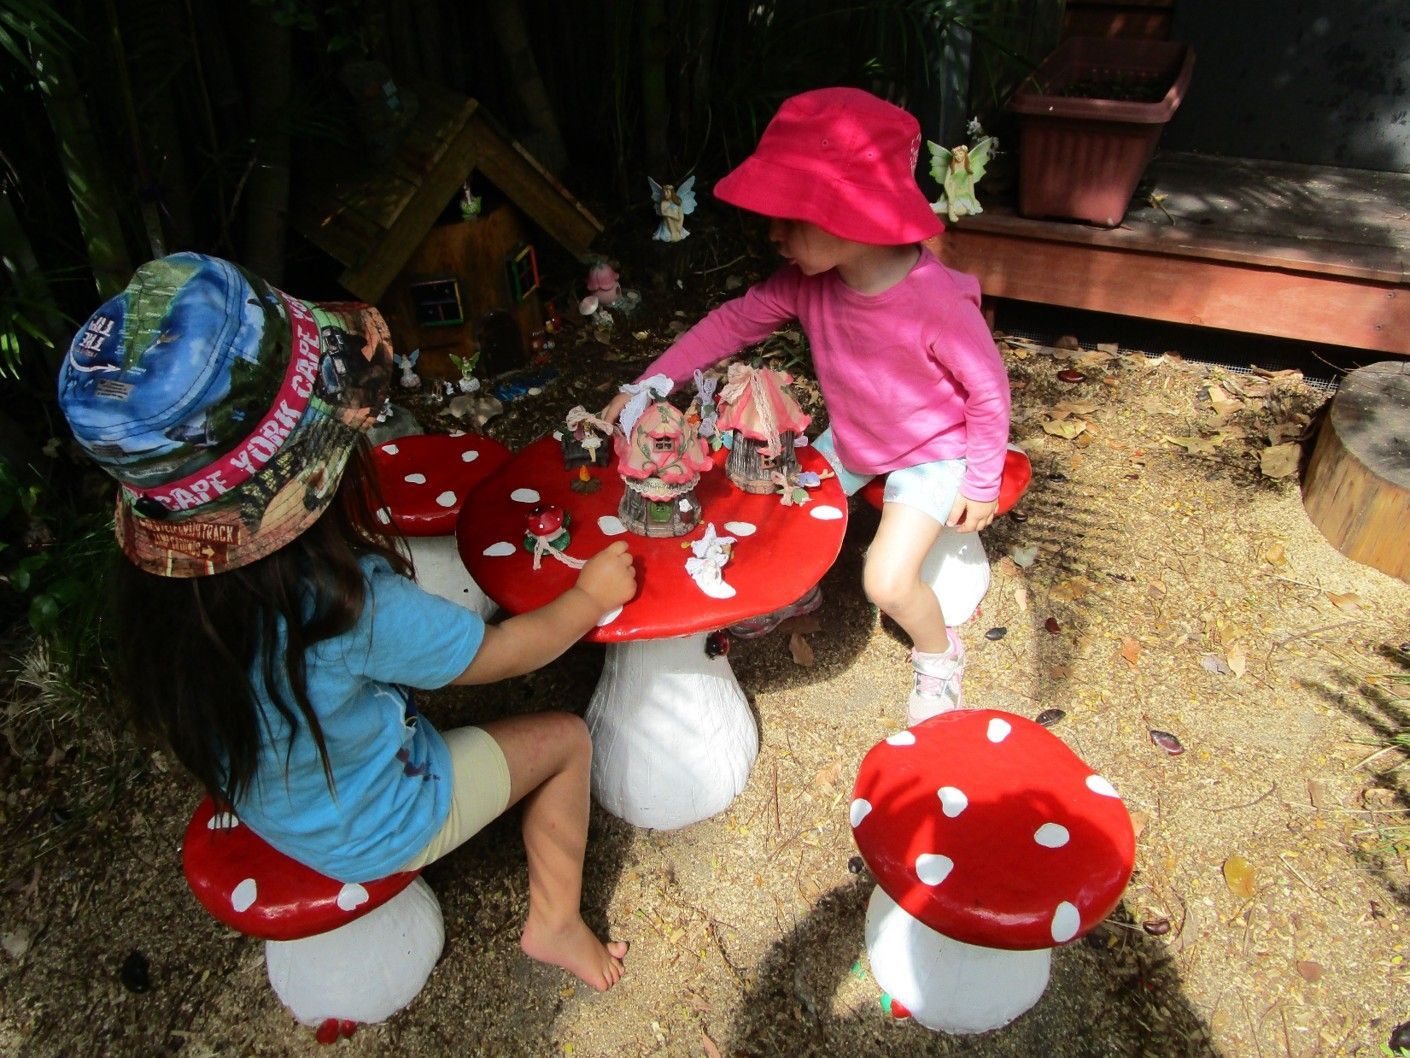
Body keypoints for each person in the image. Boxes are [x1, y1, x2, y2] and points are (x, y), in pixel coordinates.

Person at [57, 253, 634, 992]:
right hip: (375, 825)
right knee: (565, 740)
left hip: (277, 802)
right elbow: (505, 653)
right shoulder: (347, 601)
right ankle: (555, 921)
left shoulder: (169, 598)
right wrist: (589, 595)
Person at [604, 88, 1011, 725]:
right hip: (853, 438)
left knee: (886, 582)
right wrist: (648, 388)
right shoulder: (808, 281)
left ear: (855, 213)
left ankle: (939, 655)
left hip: (933, 452)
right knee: (772, 507)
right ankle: (798, 591)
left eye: (792, 215)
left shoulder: (934, 303)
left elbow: (987, 390)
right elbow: (728, 326)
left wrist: (982, 479)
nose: (772, 233)